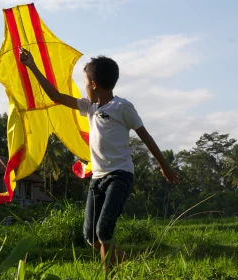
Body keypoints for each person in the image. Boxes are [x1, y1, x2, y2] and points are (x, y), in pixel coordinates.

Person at [19, 47, 179, 273]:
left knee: (104, 232)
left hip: (120, 176)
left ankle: (109, 275)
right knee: (89, 236)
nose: (84, 86)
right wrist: (32, 65)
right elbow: (55, 96)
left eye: (85, 81)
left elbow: (146, 137)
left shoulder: (122, 107)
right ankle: (119, 257)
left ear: (94, 84)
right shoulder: (90, 108)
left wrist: (165, 166)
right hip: (97, 179)